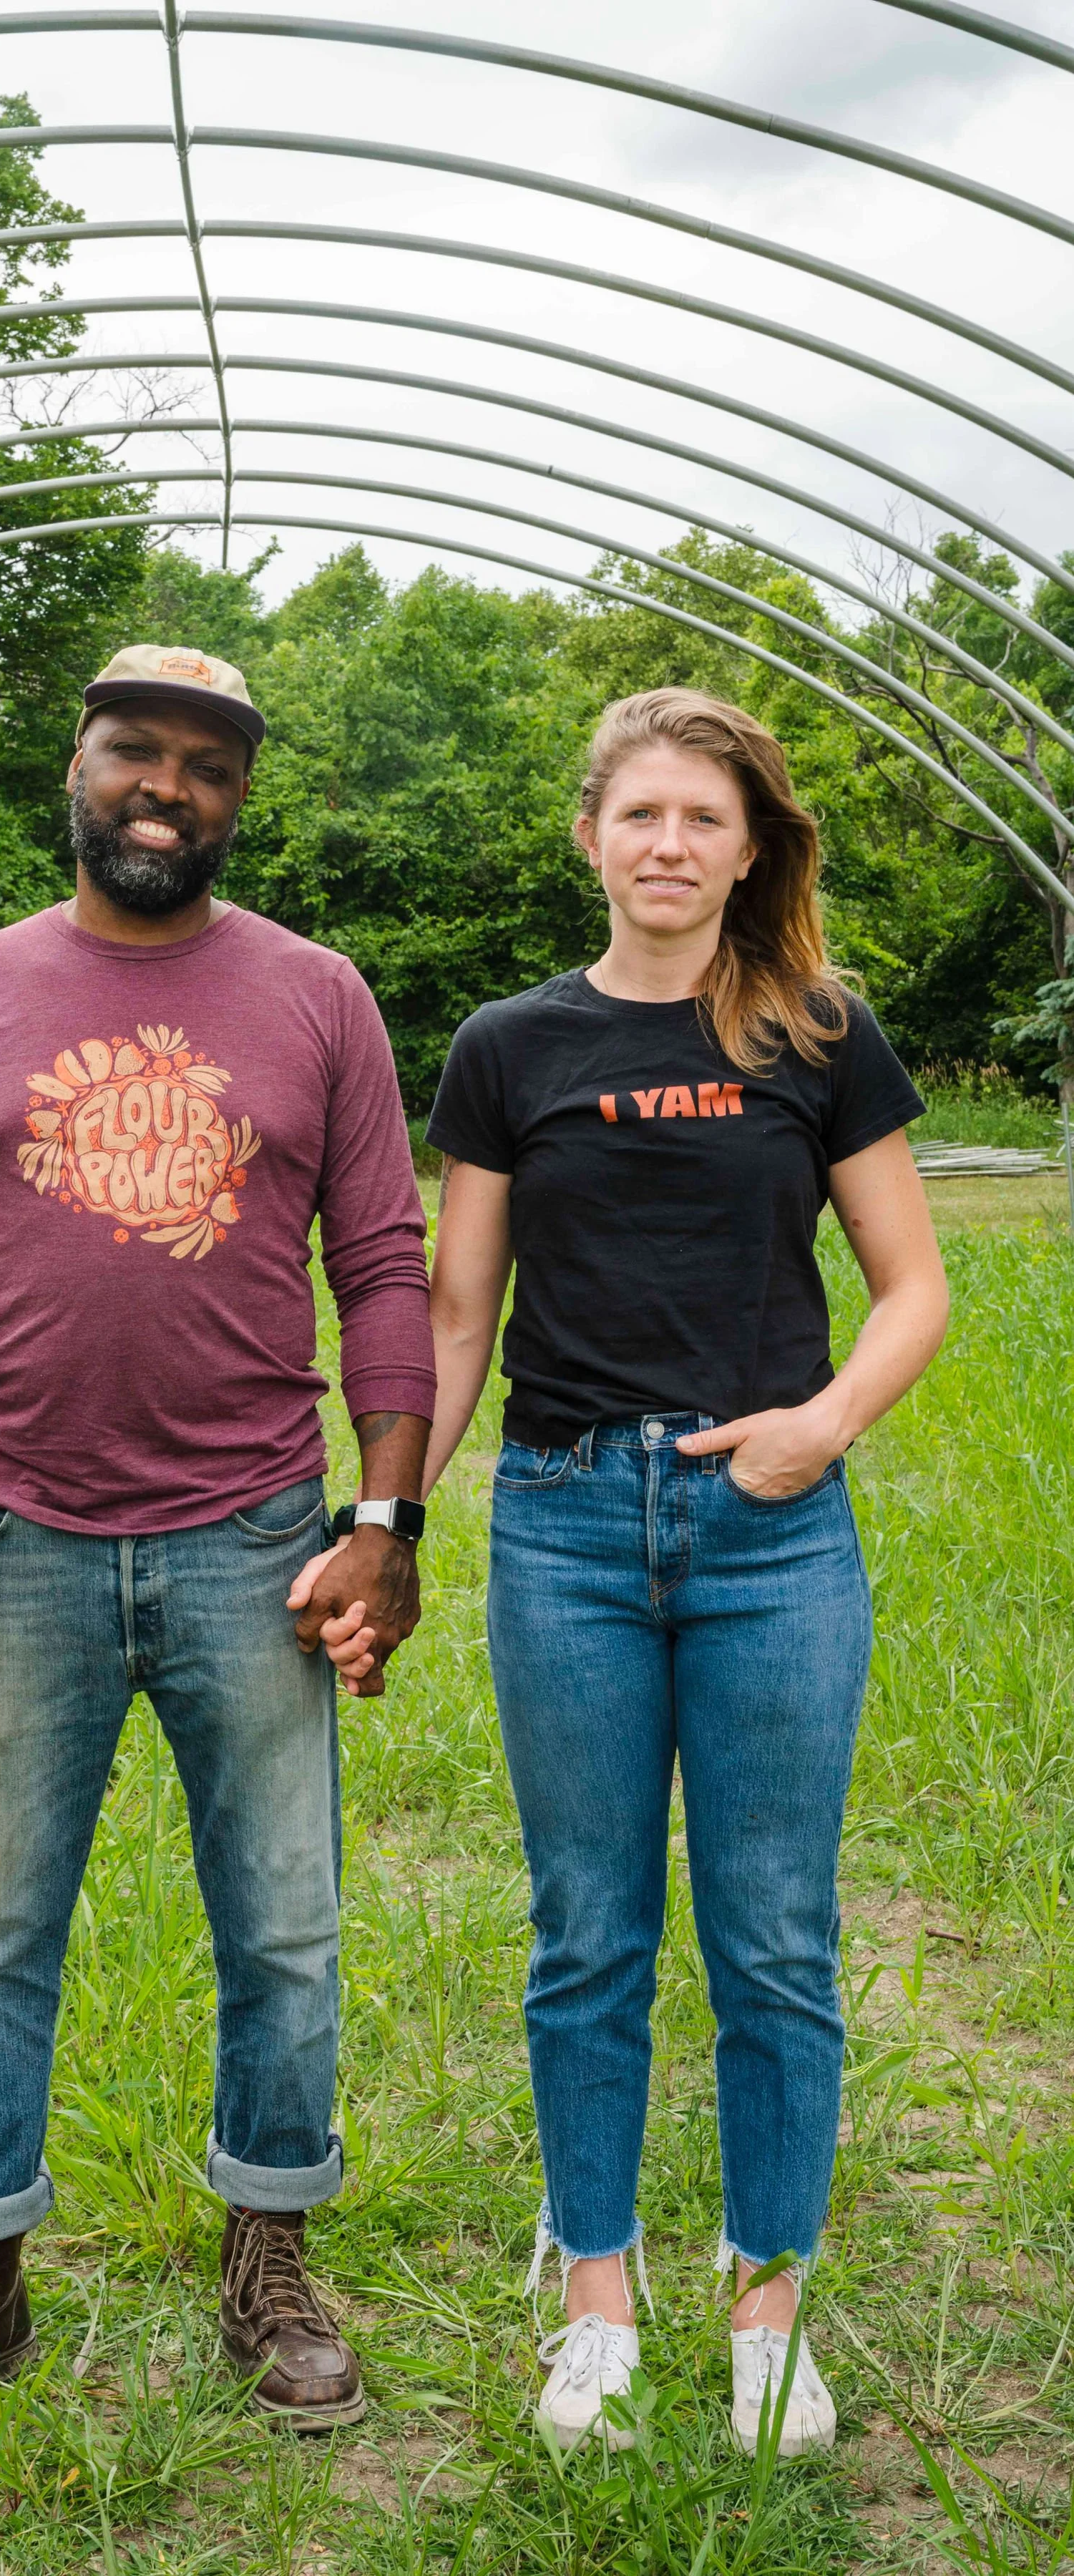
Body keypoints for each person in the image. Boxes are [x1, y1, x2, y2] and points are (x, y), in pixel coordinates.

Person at [0, 642, 435, 2438]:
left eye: (210, 768)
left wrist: (384, 1522)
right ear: (74, 763)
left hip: (258, 1539)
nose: (169, 788)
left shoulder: (321, 998)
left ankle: (271, 2269)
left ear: (242, 800)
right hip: (10, 1539)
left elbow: (383, 1264)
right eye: (135, 752)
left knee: (287, 1929)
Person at [421, 688, 948, 2459]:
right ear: (590, 837)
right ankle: (596, 2308)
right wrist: (389, 1516)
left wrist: (821, 1429)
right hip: (565, 1525)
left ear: (749, 848)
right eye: (640, 814)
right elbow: (454, 1315)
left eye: (703, 821)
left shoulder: (819, 1035)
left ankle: (769, 2318)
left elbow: (913, 1291)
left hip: (771, 1530)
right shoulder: (507, 1047)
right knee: (588, 1937)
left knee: (776, 1940)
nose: (669, 845)